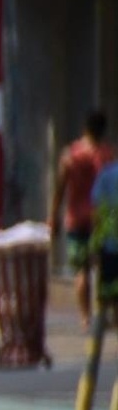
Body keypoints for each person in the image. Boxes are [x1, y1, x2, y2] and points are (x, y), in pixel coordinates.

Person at [59, 108, 113, 325]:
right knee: (102, 267)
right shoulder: (108, 156)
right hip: (101, 219)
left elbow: (60, 187)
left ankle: (84, 317)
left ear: (85, 128)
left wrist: (53, 215)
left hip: (76, 218)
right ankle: (103, 313)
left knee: (81, 270)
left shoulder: (71, 155)